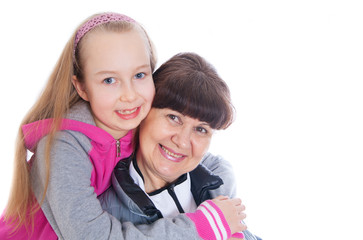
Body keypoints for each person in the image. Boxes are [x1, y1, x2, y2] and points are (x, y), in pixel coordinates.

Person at [0, 12, 246, 240]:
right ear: (82, 87)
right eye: (109, 80)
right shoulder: (63, 147)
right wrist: (202, 226)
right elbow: (95, 236)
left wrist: (217, 198)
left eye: (139, 75)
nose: (129, 95)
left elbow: (205, 160)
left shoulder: (131, 121)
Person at [99, 52, 261, 240]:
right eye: (174, 118)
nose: (182, 141)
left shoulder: (217, 189)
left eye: (201, 129)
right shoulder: (104, 214)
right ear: (144, 112)